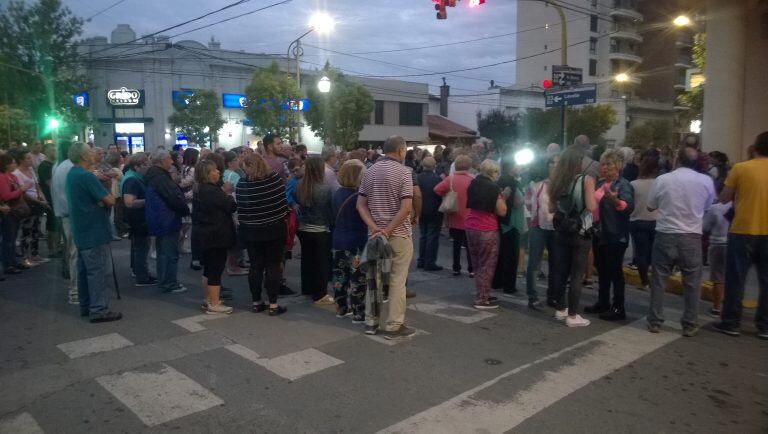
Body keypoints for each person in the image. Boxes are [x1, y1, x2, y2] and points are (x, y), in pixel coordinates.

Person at [646, 147, 716, 337]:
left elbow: (650, 205)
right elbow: (708, 206)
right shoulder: (706, 181)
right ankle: (690, 323)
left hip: (665, 234)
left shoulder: (663, 179)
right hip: (692, 236)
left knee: (659, 280)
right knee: (692, 283)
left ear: (677, 159)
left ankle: (655, 321)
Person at [356, 135, 415, 339]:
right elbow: (406, 207)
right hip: (398, 234)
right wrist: (388, 229)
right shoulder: (404, 173)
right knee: (398, 280)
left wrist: (374, 227)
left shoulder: (370, 172)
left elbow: (360, 205)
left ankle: (371, 322)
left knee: (374, 279)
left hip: (374, 236)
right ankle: (394, 325)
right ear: (400, 151)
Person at [714, 131, 768, 339]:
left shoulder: (741, 168)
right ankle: (764, 325)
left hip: (743, 230)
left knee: (736, 279)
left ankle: (731, 322)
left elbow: (724, 198)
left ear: (756, 147)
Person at [65, 143, 122, 323]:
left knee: (84, 270)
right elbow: (110, 200)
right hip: (94, 230)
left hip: (81, 229)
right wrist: (110, 187)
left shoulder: (72, 174)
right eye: (90, 152)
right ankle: (98, 309)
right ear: (83, 156)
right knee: (97, 271)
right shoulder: (86, 176)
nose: (94, 154)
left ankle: (86, 305)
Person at [549, 145, 598, 327]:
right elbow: (591, 207)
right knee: (577, 275)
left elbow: (551, 209)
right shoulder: (587, 180)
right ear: (578, 163)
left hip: (561, 230)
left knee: (561, 271)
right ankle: (573, 315)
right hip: (580, 231)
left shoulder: (556, 180)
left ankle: (560, 309)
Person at [584, 150, 634, 321]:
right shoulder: (600, 183)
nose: (604, 167)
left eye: (609, 164)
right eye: (603, 164)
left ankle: (619, 307)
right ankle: (603, 302)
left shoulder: (623, 184)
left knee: (615, 272)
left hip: (615, 235)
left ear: (618, 166)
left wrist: (616, 201)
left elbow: (628, 208)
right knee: (603, 270)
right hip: (599, 234)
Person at [236, 154, 289, 316]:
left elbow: (241, 208)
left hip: (251, 230)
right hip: (274, 228)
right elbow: (282, 201)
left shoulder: (242, 184)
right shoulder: (273, 179)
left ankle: (256, 302)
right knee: (273, 265)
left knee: (256, 265)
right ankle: (273, 304)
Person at [192, 159, 236, 314]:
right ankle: (214, 304)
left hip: (206, 234)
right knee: (215, 270)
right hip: (216, 235)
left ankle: (209, 299)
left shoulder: (201, 189)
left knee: (208, 269)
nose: (218, 172)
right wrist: (229, 194)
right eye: (215, 170)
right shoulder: (211, 191)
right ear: (208, 174)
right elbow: (230, 206)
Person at [145, 149, 191, 294]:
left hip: (160, 218)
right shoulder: (160, 178)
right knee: (169, 253)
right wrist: (185, 210)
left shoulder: (154, 175)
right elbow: (172, 198)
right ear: (161, 161)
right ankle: (169, 283)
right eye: (169, 159)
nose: (171, 162)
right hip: (167, 219)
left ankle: (164, 280)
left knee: (163, 252)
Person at [466, 160, 507, 309]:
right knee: (487, 264)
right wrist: (505, 197)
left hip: (471, 226)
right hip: (487, 229)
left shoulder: (473, 182)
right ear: (493, 172)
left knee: (477, 263)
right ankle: (482, 299)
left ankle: (482, 292)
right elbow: (502, 211)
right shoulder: (493, 188)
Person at [331, 160, 368, 322]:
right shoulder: (359, 196)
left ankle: (341, 308)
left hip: (338, 240)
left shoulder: (336, 193)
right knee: (357, 279)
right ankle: (358, 312)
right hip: (357, 242)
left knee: (340, 276)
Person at [296, 156, 335, 304]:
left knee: (307, 260)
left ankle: (307, 288)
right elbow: (329, 210)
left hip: (303, 227)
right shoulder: (325, 187)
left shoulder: (301, 184)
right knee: (321, 262)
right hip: (319, 228)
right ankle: (320, 294)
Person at [525, 154, 558, 309]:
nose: (555, 165)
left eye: (558, 163)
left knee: (556, 264)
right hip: (538, 227)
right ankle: (533, 297)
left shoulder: (564, 184)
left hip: (557, 228)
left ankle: (553, 296)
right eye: (552, 162)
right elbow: (528, 204)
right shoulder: (537, 184)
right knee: (533, 263)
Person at [434, 155, 475, 277]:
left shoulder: (450, 179)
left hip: (454, 215)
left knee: (456, 243)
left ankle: (456, 268)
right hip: (469, 215)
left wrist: (446, 194)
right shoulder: (472, 180)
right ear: (469, 166)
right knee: (469, 245)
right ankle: (471, 269)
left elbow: (436, 189)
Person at [121, 153, 156, 286]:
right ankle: (142, 276)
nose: (148, 166)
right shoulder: (132, 180)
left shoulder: (133, 176)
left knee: (138, 247)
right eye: (146, 164)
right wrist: (149, 201)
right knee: (141, 247)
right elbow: (129, 202)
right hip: (138, 219)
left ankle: (138, 271)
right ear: (137, 166)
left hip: (137, 218)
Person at [493, 156, 525, 298]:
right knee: (511, 256)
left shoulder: (500, 179)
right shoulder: (512, 182)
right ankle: (509, 286)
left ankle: (497, 281)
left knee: (500, 254)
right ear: (512, 167)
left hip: (501, 221)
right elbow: (518, 202)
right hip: (511, 222)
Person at [13, 149, 51, 266]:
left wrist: (43, 198)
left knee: (35, 230)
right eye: (28, 158)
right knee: (26, 231)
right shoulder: (17, 174)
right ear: (21, 160)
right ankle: (25, 257)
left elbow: (37, 186)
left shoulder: (31, 170)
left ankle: (35, 255)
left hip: (37, 204)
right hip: (27, 205)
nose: (31, 160)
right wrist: (38, 201)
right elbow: (23, 193)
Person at [51, 142, 78, 302]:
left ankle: (75, 290)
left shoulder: (58, 165)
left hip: (63, 213)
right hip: (71, 214)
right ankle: (75, 291)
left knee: (71, 251)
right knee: (76, 253)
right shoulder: (69, 167)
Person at [629, 150, 659, 289]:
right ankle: (655, 281)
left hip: (637, 220)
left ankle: (644, 281)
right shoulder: (659, 183)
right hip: (656, 221)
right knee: (654, 253)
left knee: (641, 252)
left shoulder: (634, 184)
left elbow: (630, 203)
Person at [0, 153, 32, 275]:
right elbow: (6, 196)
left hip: (15, 211)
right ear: (6, 164)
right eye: (12, 162)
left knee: (12, 237)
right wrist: (21, 190)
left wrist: (21, 189)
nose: (14, 164)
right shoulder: (2, 177)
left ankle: (12, 261)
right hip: (9, 211)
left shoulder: (12, 176)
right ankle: (8, 264)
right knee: (8, 238)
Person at [703, 185, 731, 318]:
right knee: (731, 276)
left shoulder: (715, 208)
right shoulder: (738, 206)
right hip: (733, 243)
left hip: (718, 244)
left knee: (718, 277)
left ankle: (716, 307)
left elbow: (705, 226)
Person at [416, 157, 443, 271]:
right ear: (434, 166)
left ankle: (421, 260)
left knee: (423, 236)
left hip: (421, 210)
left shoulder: (418, 178)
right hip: (434, 211)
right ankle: (430, 262)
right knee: (432, 237)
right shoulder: (437, 179)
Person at [37, 144, 60, 258]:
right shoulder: (44, 166)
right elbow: (49, 183)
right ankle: (52, 249)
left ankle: (56, 247)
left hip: (55, 198)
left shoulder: (55, 164)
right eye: (53, 150)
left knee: (55, 224)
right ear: (47, 152)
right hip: (50, 198)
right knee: (51, 225)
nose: (55, 152)